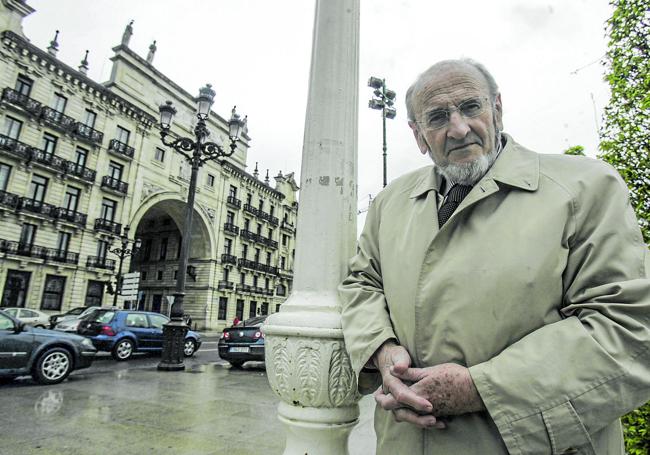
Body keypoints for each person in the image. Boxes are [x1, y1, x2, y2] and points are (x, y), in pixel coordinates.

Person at [339, 58, 650, 454]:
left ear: (497, 108)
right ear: (418, 136)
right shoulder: (389, 203)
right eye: (437, 117)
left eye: (471, 107)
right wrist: (381, 350)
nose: (459, 128)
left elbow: (629, 326)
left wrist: (479, 388)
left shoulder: (586, 187)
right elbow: (361, 283)